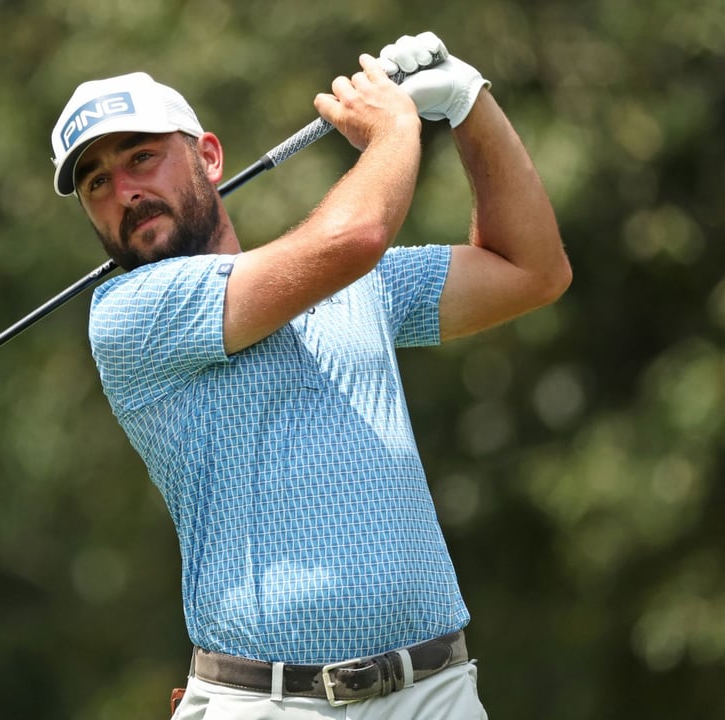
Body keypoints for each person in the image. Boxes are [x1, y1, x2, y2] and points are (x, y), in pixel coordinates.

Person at [49, 31, 570, 719]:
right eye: (96, 183)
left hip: (432, 693)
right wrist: (394, 130)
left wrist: (472, 107)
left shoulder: (357, 286)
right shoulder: (127, 317)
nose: (125, 190)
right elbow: (353, 238)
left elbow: (533, 270)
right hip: (264, 703)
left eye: (141, 157)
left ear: (208, 156)